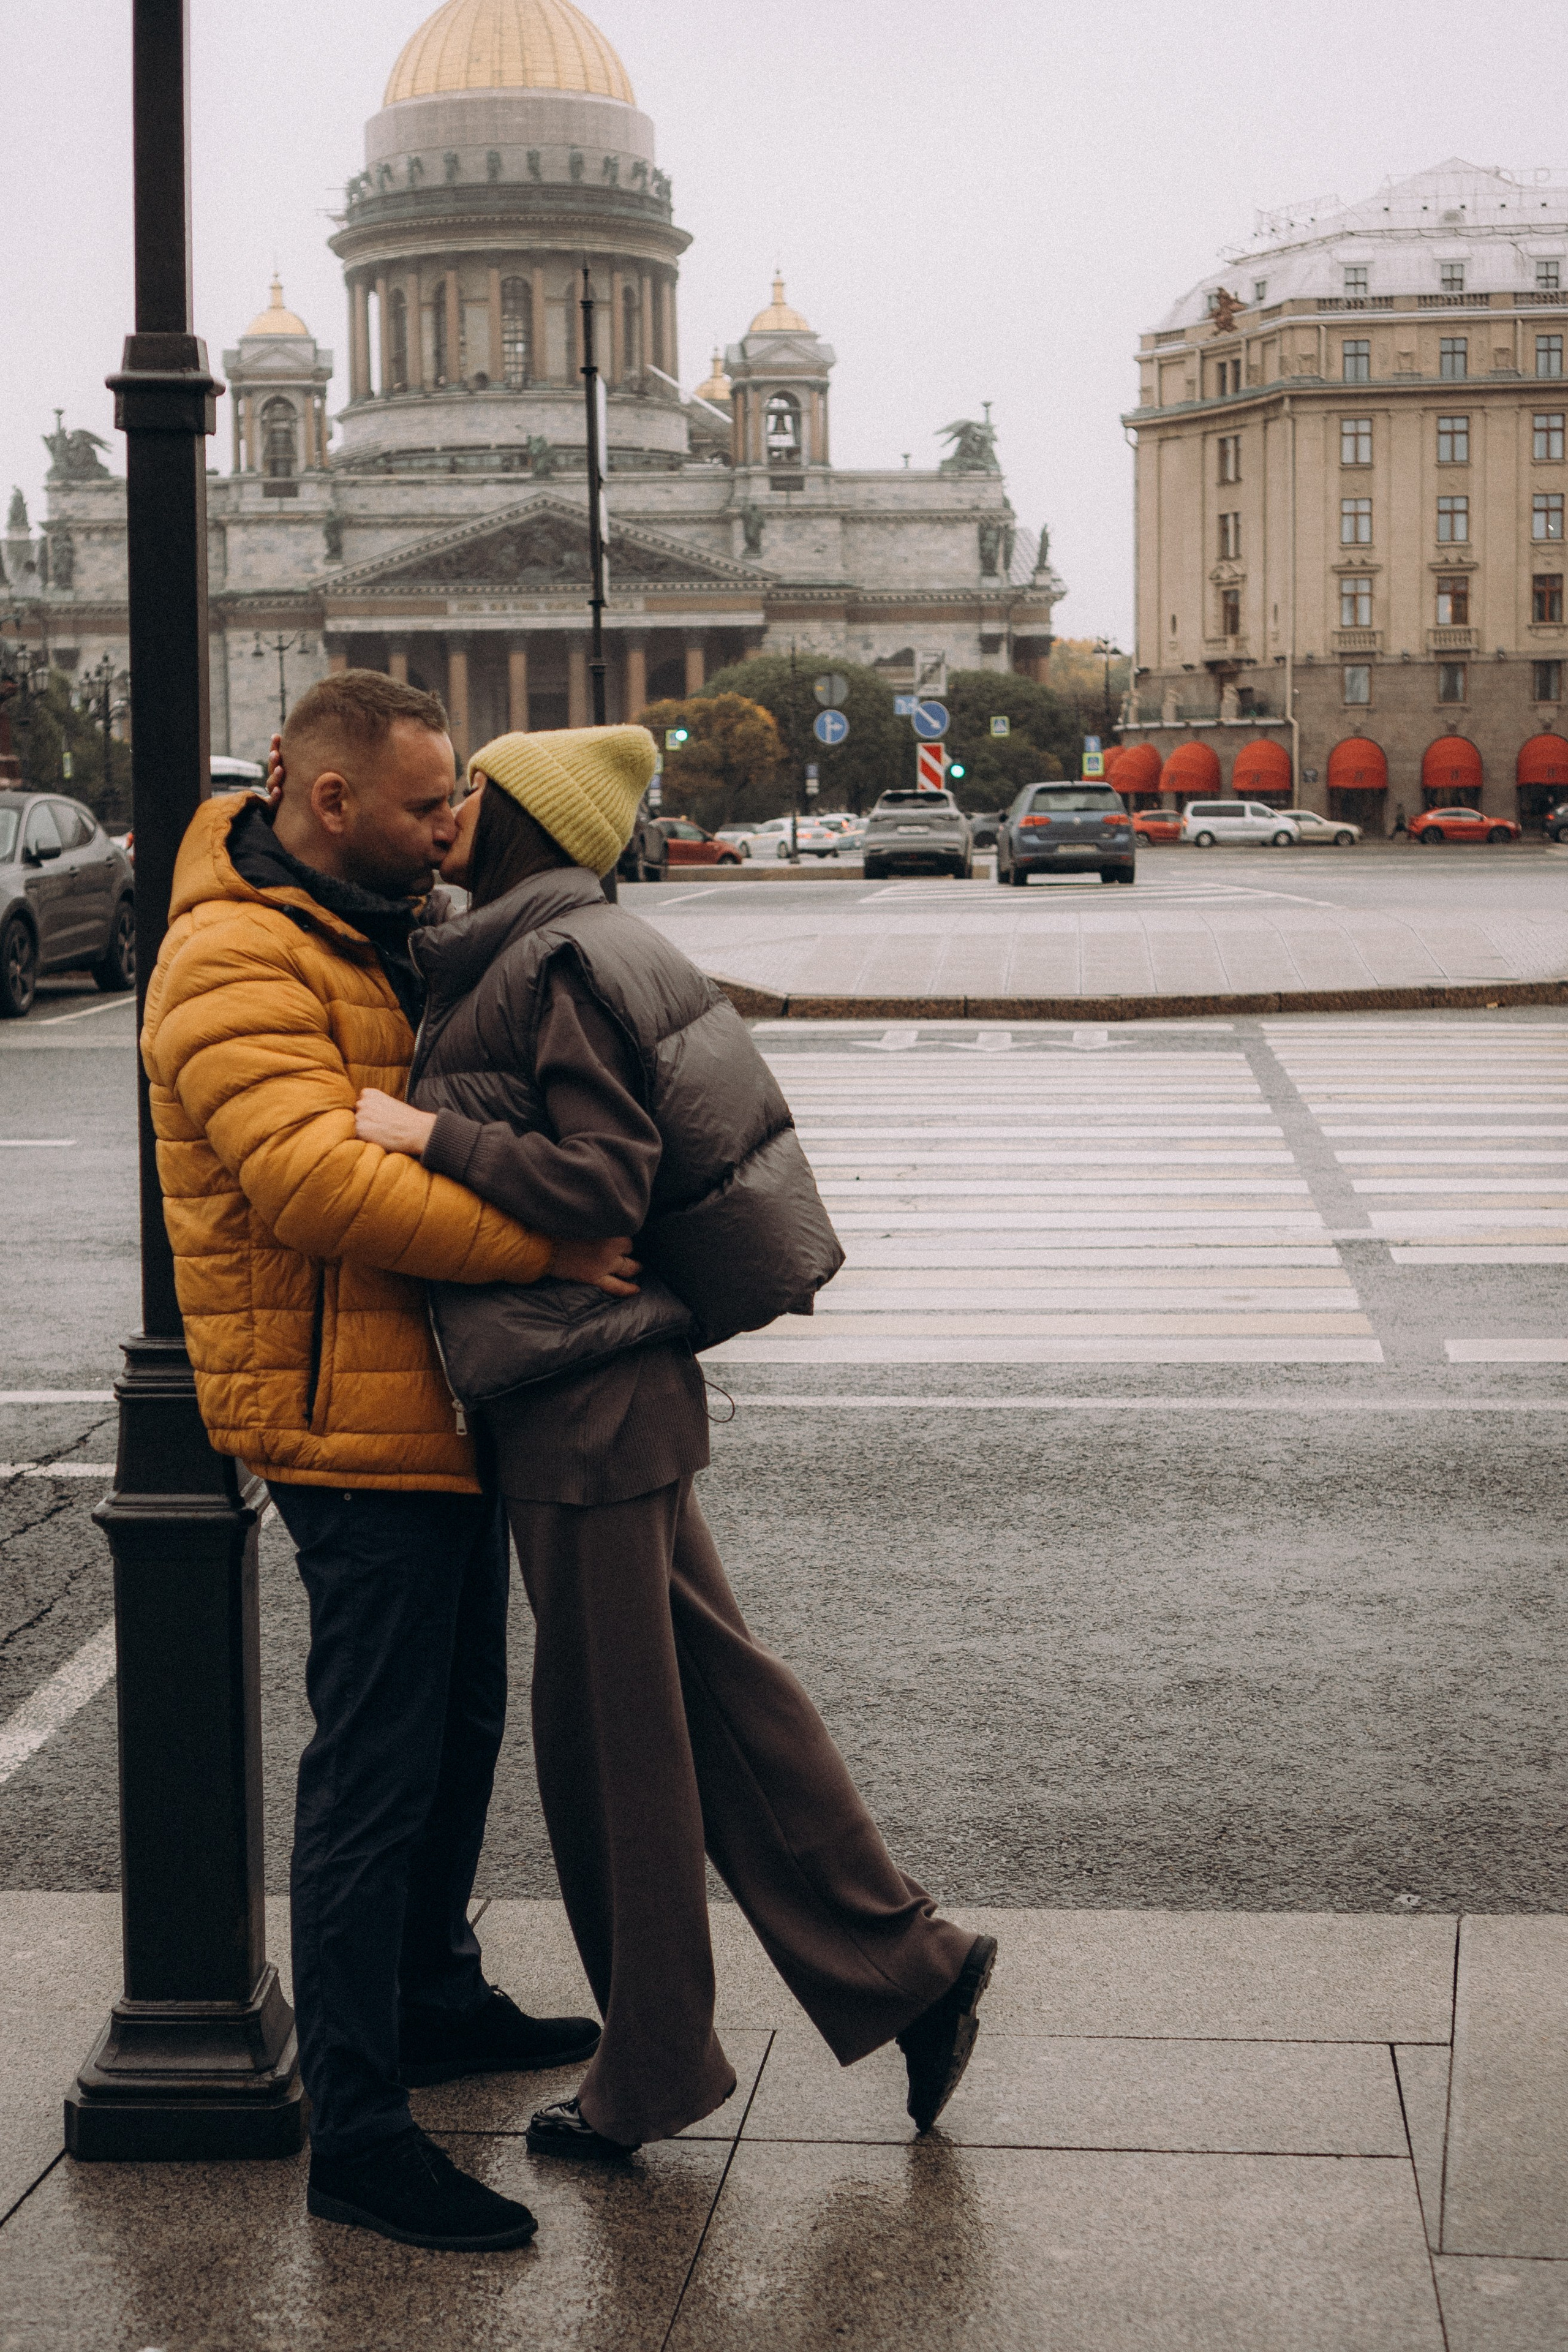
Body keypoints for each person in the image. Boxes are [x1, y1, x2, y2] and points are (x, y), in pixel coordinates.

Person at [353, 723, 996, 2159]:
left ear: (526, 821)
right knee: (721, 1709)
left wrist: (419, 1137)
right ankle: (914, 1967)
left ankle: (648, 2072)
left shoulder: (550, 963)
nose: (453, 811)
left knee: (611, 1756)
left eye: (476, 793)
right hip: (614, 1396)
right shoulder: (579, 941)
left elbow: (601, 1180)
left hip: (580, 1402)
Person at [140, 672, 640, 2253]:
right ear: (328, 797)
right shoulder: (231, 949)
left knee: (452, 1732)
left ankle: (431, 1998)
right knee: (371, 1775)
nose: (455, 834)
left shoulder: (362, 920)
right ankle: (359, 2131)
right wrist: (551, 1240)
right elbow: (309, 1184)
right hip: (341, 1416)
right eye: (431, 810)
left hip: (425, 1394)